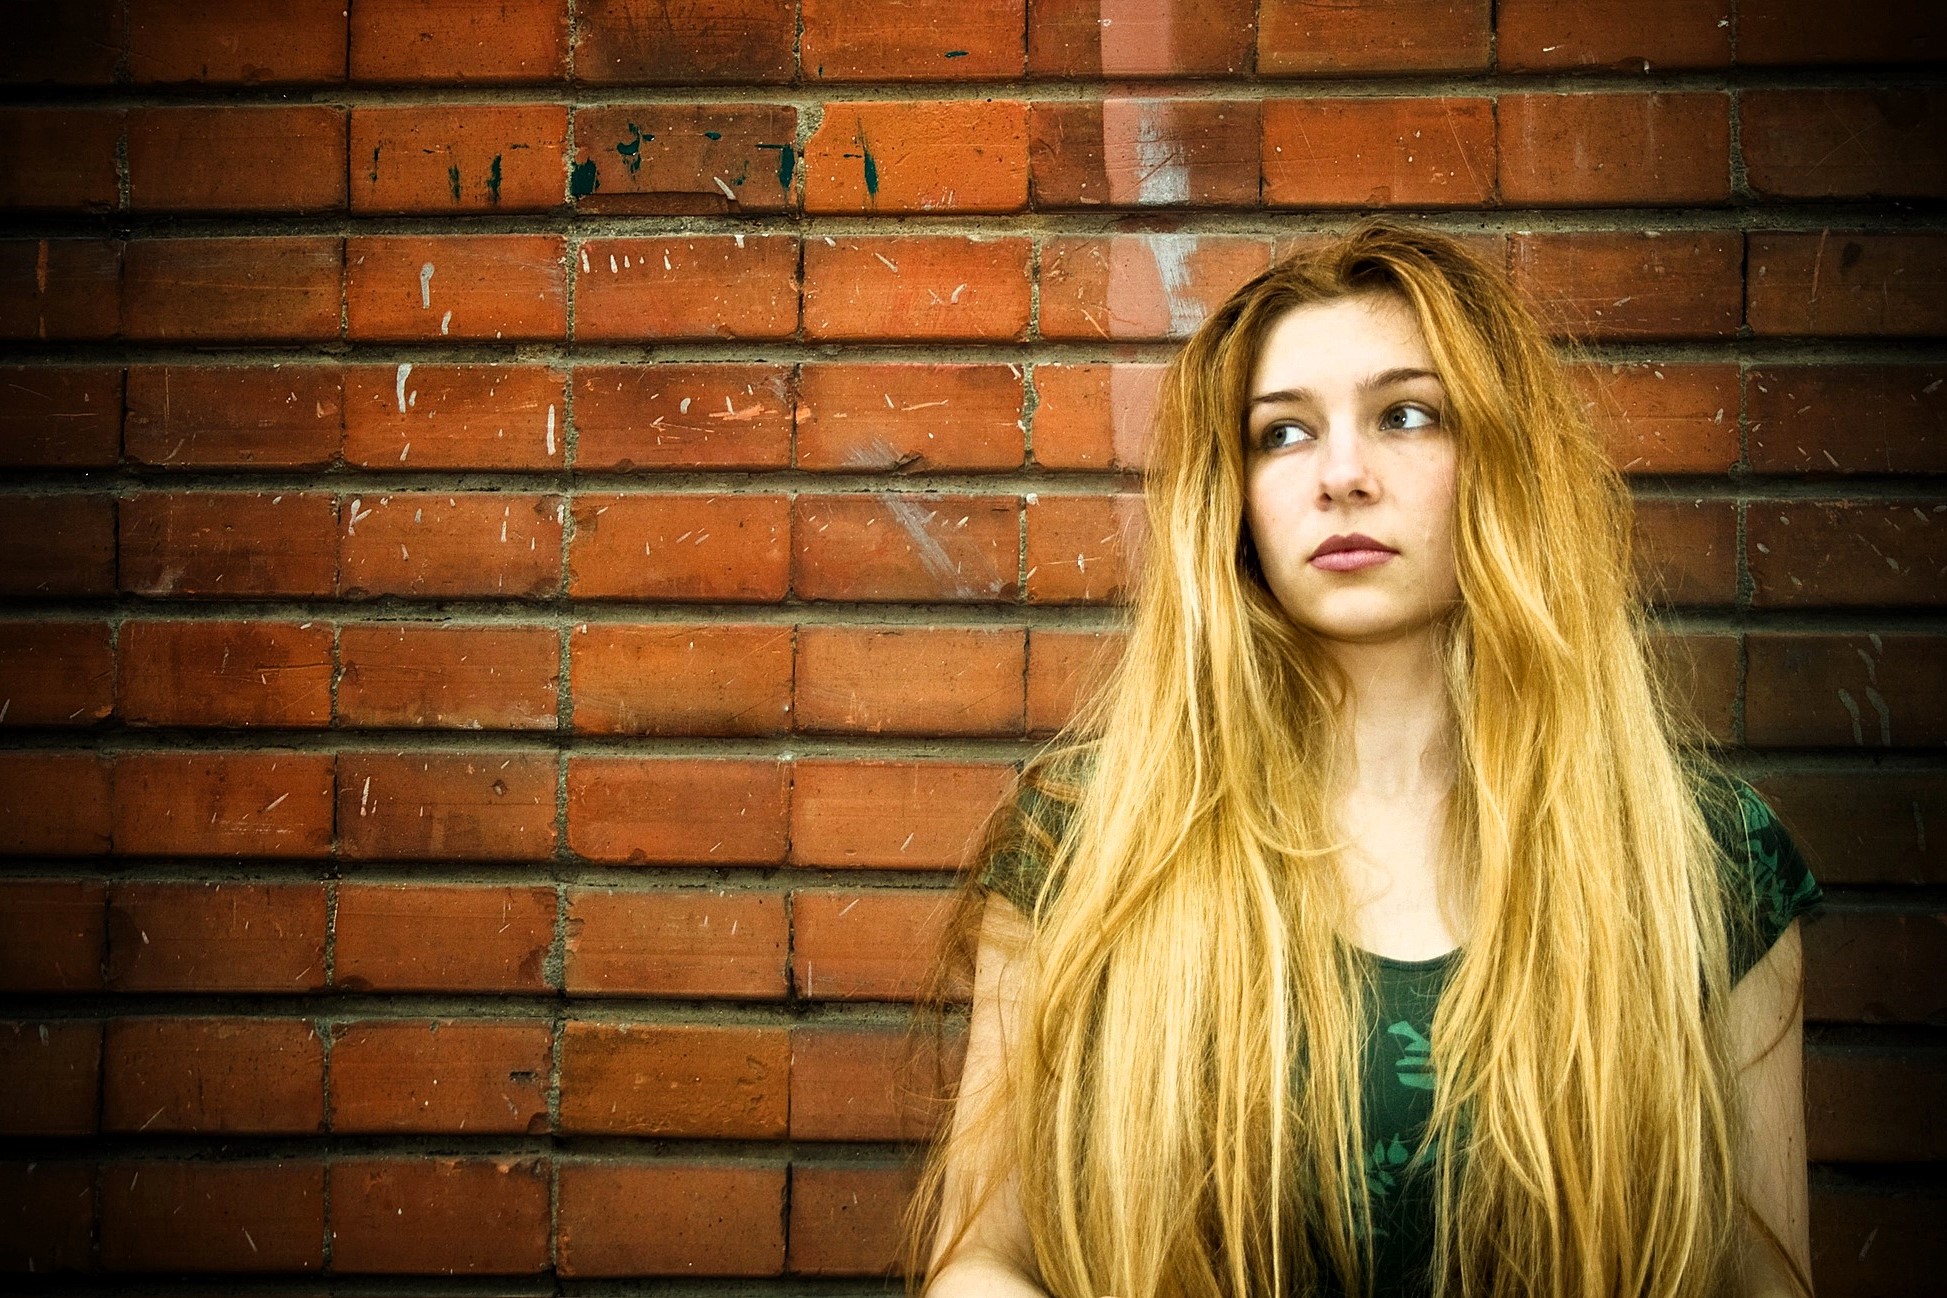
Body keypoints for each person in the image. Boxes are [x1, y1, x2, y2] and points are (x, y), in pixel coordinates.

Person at [908, 220, 1823, 1298]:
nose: (1342, 474)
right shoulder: (1080, 840)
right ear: (1235, 498)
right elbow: (980, 1257)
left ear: (1500, 462)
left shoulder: (1707, 861)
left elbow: (1765, 1277)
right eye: (1282, 434)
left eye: (1406, 415)